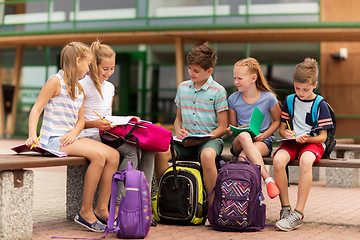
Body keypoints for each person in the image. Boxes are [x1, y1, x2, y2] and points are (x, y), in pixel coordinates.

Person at [25, 42, 119, 233]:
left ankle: (101, 208)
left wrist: (74, 133)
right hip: (53, 140)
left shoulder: (79, 89)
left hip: (71, 138)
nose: (89, 69)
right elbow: (36, 110)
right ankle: (85, 212)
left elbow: (80, 122)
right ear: (78, 61)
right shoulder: (55, 82)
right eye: (87, 64)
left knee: (114, 155)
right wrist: (32, 135)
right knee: (99, 157)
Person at [79, 40, 155, 217]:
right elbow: (79, 121)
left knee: (148, 149)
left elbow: (108, 116)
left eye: (112, 68)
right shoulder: (82, 85)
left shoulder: (110, 88)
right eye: (105, 68)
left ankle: (143, 202)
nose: (109, 72)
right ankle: (118, 204)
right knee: (132, 152)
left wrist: (122, 122)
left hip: (106, 133)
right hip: (90, 135)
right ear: (93, 65)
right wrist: (97, 124)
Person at [154, 42, 228, 206]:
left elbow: (223, 127)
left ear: (209, 71)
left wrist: (203, 139)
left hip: (210, 140)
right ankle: (167, 199)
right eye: (190, 69)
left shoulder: (219, 91)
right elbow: (178, 119)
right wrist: (179, 130)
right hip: (185, 141)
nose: (191, 73)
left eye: (196, 71)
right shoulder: (182, 88)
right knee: (160, 153)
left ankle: (213, 207)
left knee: (207, 156)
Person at [273, 58, 334, 231]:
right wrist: (288, 134)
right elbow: (282, 130)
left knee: (305, 161)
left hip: (311, 142)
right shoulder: (290, 101)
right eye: (297, 88)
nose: (301, 92)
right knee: (278, 161)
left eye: (305, 89)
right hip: (293, 141)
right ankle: (286, 208)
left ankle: (298, 214)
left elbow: (322, 137)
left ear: (315, 84)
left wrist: (305, 139)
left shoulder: (320, 104)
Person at [227, 58, 281, 199]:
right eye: (234, 78)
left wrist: (264, 135)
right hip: (239, 141)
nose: (236, 82)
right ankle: (268, 179)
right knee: (244, 136)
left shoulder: (268, 98)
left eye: (240, 78)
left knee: (244, 158)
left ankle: (252, 198)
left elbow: (277, 121)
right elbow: (234, 128)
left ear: (253, 78)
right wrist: (232, 130)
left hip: (262, 142)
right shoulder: (233, 99)